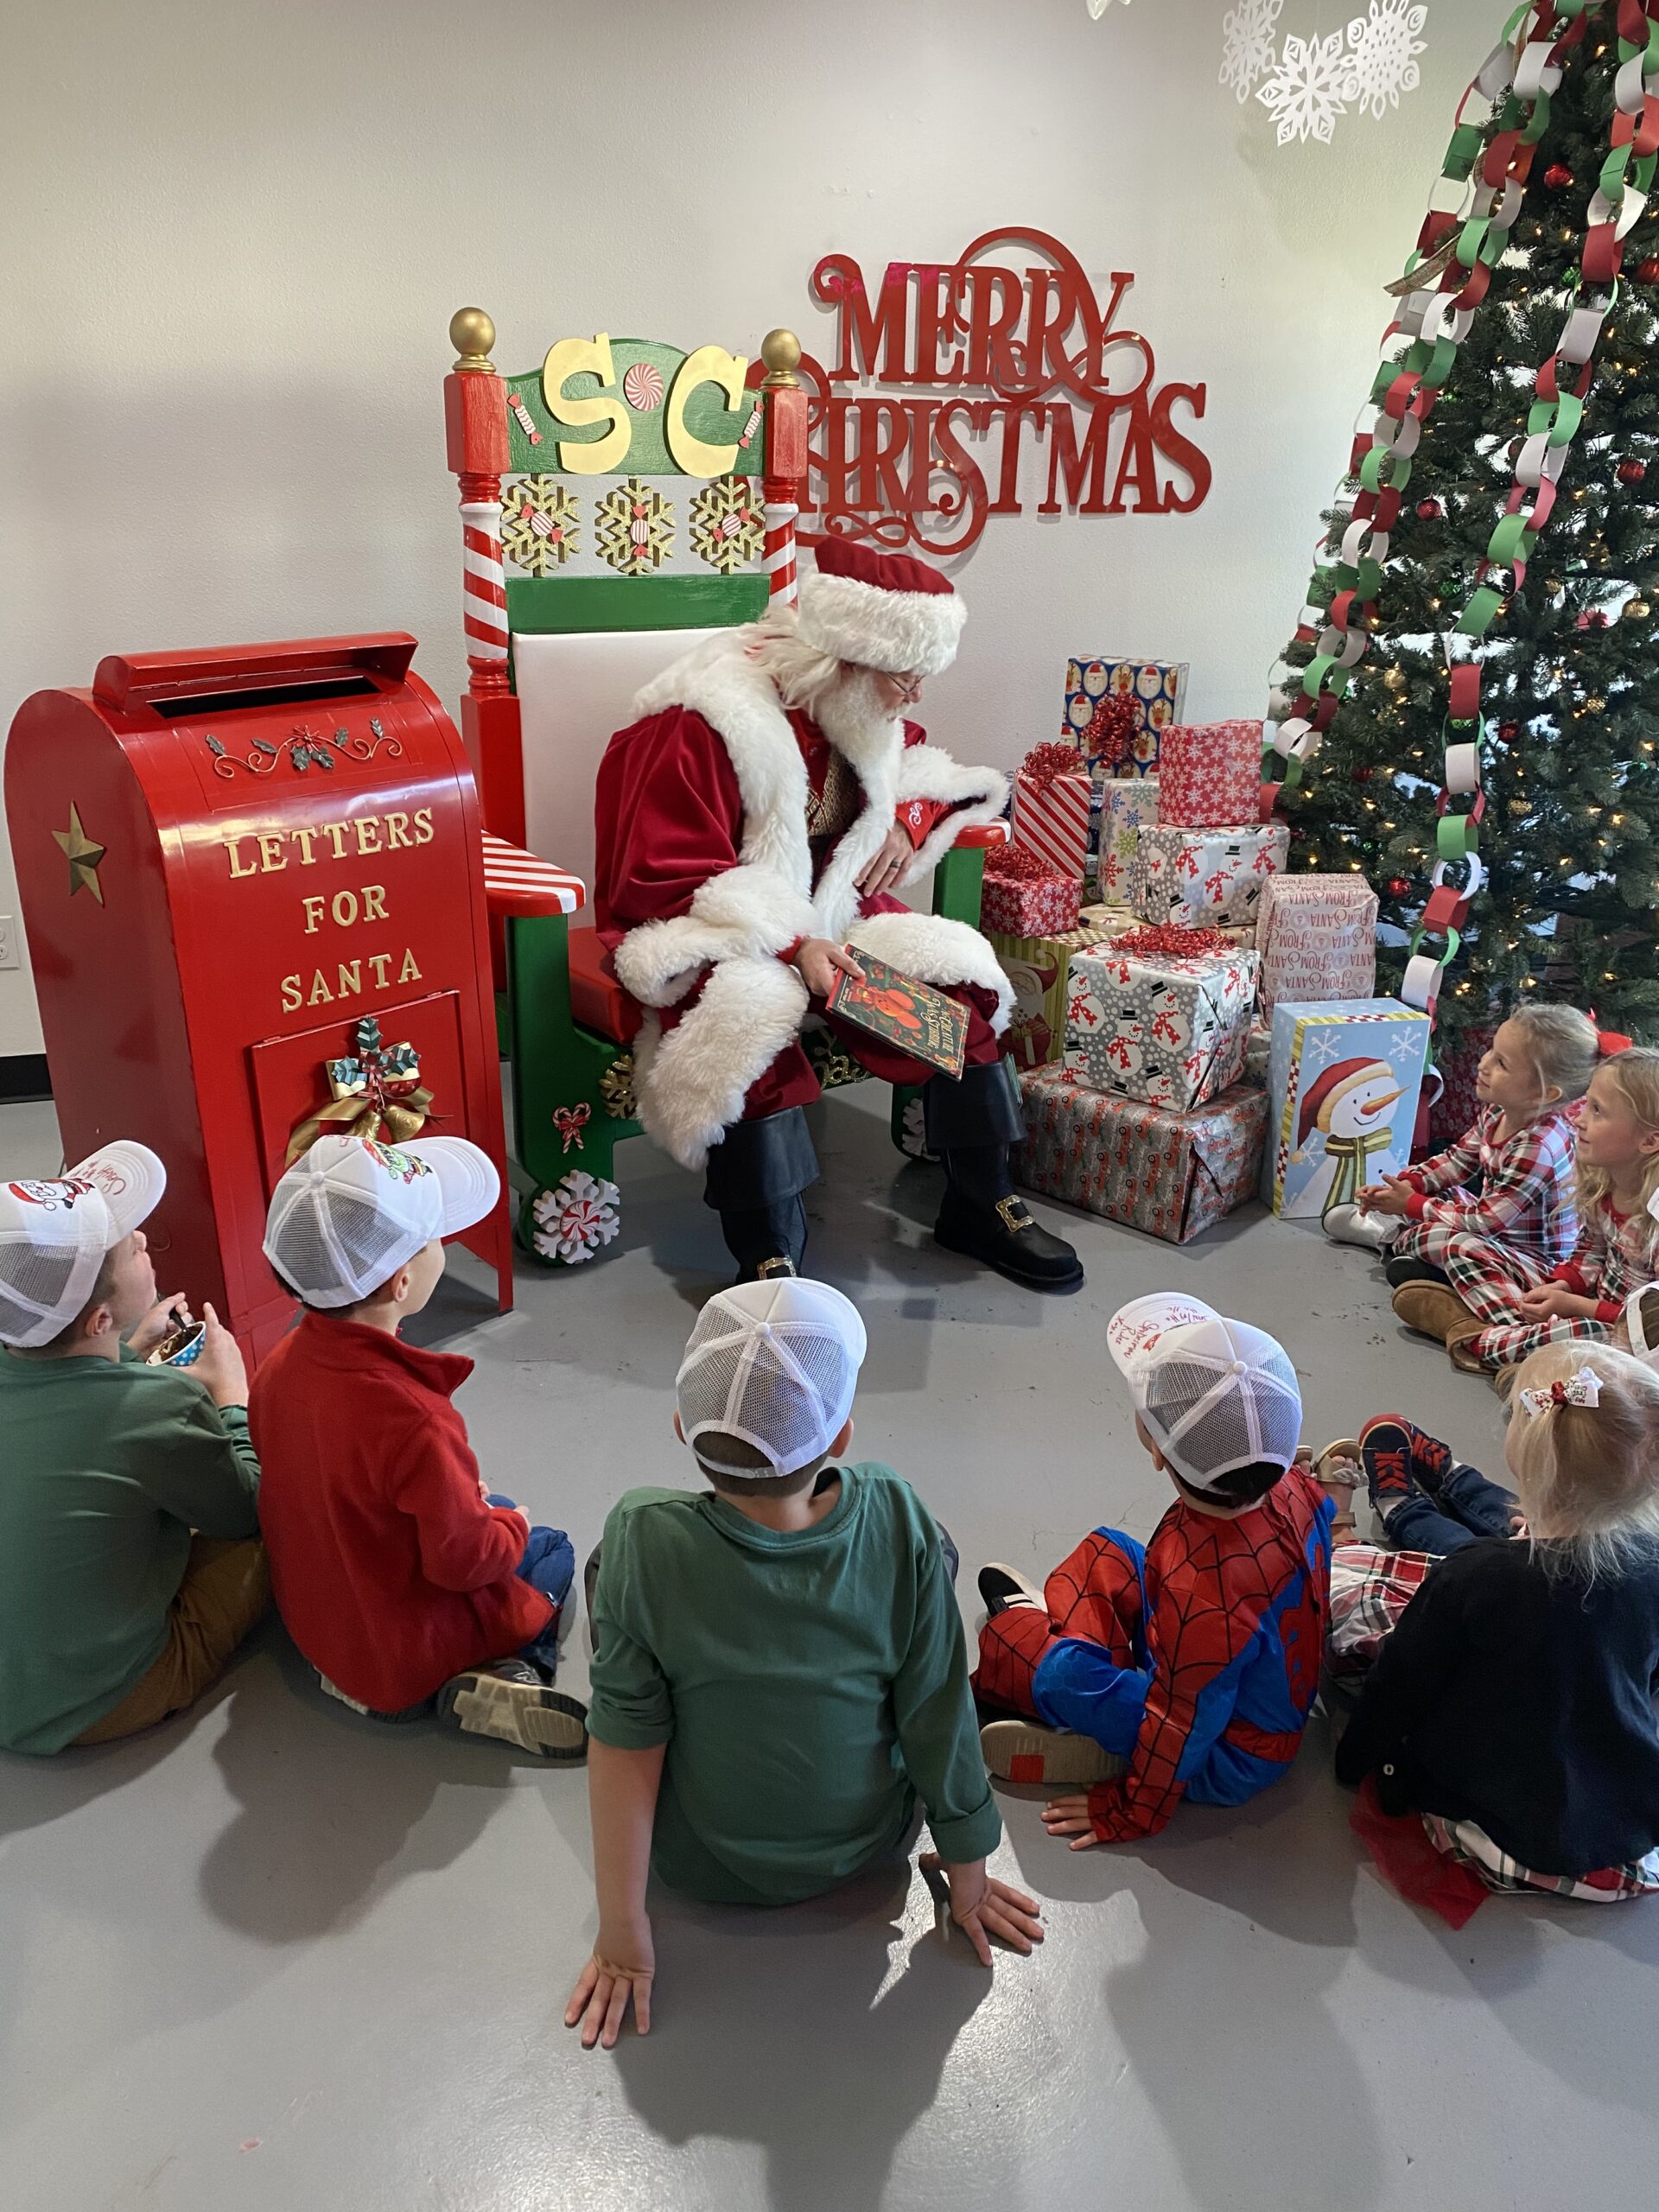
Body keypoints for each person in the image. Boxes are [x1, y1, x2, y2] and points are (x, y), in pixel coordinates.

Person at [564, 1276, 1043, 2050]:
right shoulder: (896, 1511)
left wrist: (624, 1929)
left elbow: (626, 1742)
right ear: (842, 1437)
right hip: (865, 1847)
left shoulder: (642, 1532)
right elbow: (937, 1713)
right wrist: (969, 1867)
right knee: (931, 1559)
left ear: (682, 1427)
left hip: (699, 1862)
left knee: (605, 1572)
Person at [594, 537, 1082, 1292]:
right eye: (903, 678)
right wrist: (792, 946)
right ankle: (768, 1252)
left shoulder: (855, 710)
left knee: (956, 992)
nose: (914, 695)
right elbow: (662, 877)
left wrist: (905, 820)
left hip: (833, 916)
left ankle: (984, 1203)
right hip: (720, 933)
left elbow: (928, 770)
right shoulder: (697, 728)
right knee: (749, 1026)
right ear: (844, 660)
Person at [251, 1135, 586, 1759]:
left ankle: (362, 1678)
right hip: (397, 1660)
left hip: (322, 1627)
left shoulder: (277, 1365)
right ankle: (513, 1675)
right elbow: (463, 1562)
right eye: (437, 1239)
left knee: (484, 1512)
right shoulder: (412, 1417)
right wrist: (507, 1525)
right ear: (403, 1281)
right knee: (548, 1548)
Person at [973, 1294, 1333, 1847]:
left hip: (1226, 1754)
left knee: (1049, 1669)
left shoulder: (1205, 1596)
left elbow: (1182, 1725)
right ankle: (1077, 1671)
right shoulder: (1292, 1487)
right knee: (1108, 1548)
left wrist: (1129, 1812)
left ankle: (1057, 1687)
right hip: (1215, 1670)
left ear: (1159, 1452)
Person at [1330, 1341, 1659, 1906]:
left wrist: (1354, 1760)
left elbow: (1401, 1684)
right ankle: (1435, 1493)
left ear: (1525, 1450)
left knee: (1348, 1581)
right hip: (1620, 1823)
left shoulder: (1475, 1578)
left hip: (1494, 1815)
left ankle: (1386, 1513)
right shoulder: (1651, 1564)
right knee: (1524, 1544)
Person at [0, 1141, 264, 1754]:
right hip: (99, 1698)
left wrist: (126, 1349)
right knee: (282, 1523)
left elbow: (63, 1389)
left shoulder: (23, 1333)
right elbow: (245, 1510)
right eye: (128, 1247)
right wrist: (230, 1398)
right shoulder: (161, 1407)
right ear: (97, 1320)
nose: (144, 1240)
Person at [1360, 1004, 1598, 1372]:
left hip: (1536, 1263)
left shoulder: (1538, 1145)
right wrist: (1409, 1184)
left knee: (1454, 1244)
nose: (1484, 1064)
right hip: (1500, 1236)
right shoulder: (1499, 1111)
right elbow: (1458, 1161)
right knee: (1438, 1204)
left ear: (1545, 1094)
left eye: (1502, 1063)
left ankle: (1508, 1325)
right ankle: (1423, 1257)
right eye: (1491, 1050)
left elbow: (1485, 1223)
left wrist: (1409, 1206)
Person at [1492, 1046, 1659, 1370]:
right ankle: (1521, 1340)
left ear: (1649, 1141)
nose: (1579, 1119)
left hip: (1626, 1338)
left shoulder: (1654, 1220)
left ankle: (1483, 1338)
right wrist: (1563, 1284)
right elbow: (1590, 1251)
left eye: (1597, 1110)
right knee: (1456, 1244)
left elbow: (1648, 1327)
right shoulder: (1604, 1181)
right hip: (1587, 1302)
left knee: (1578, 1335)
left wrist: (1577, 1306)